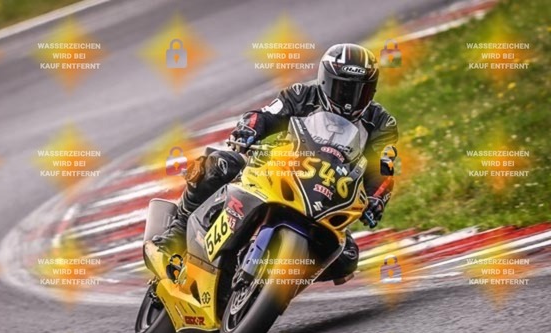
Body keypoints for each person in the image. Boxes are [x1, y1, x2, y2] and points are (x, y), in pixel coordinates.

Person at [152, 43, 398, 283]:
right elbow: (265, 115)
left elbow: (384, 169)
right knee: (221, 164)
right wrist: (249, 129)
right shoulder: (302, 95)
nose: (350, 100)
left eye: (360, 91)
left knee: (346, 258)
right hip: (276, 170)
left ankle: (275, 280)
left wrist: (376, 198)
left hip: (326, 199)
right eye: (344, 89)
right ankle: (176, 234)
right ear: (325, 81)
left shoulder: (382, 123)